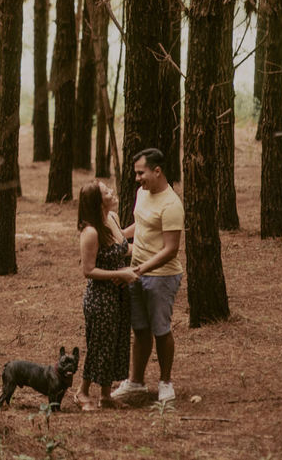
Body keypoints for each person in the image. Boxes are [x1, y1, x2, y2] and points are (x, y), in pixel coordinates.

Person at [112, 147, 184, 404]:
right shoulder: (142, 193)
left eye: (141, 173)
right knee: (140, 329)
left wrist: (139, 270)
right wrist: (118, 235)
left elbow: (170, 249)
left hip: (161, 277)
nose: (137, 178)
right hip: (136, 272)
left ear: (157, 170)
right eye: (136, 173)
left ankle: (165, 383)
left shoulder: (171, 205)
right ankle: (136, 382)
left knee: (161, 329)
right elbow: (140, 225)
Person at [74, 181, 138, 411]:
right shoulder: (90, 232)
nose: (112, 192)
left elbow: (124, 247)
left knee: (116, 343)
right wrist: (120, 273)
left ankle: (106, 395)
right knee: (99, 345)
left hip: (119, 294)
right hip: (100, 298)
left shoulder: (112, 218)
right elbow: (88, 271)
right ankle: (81, 392)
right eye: (106, 192)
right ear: (98, 201)